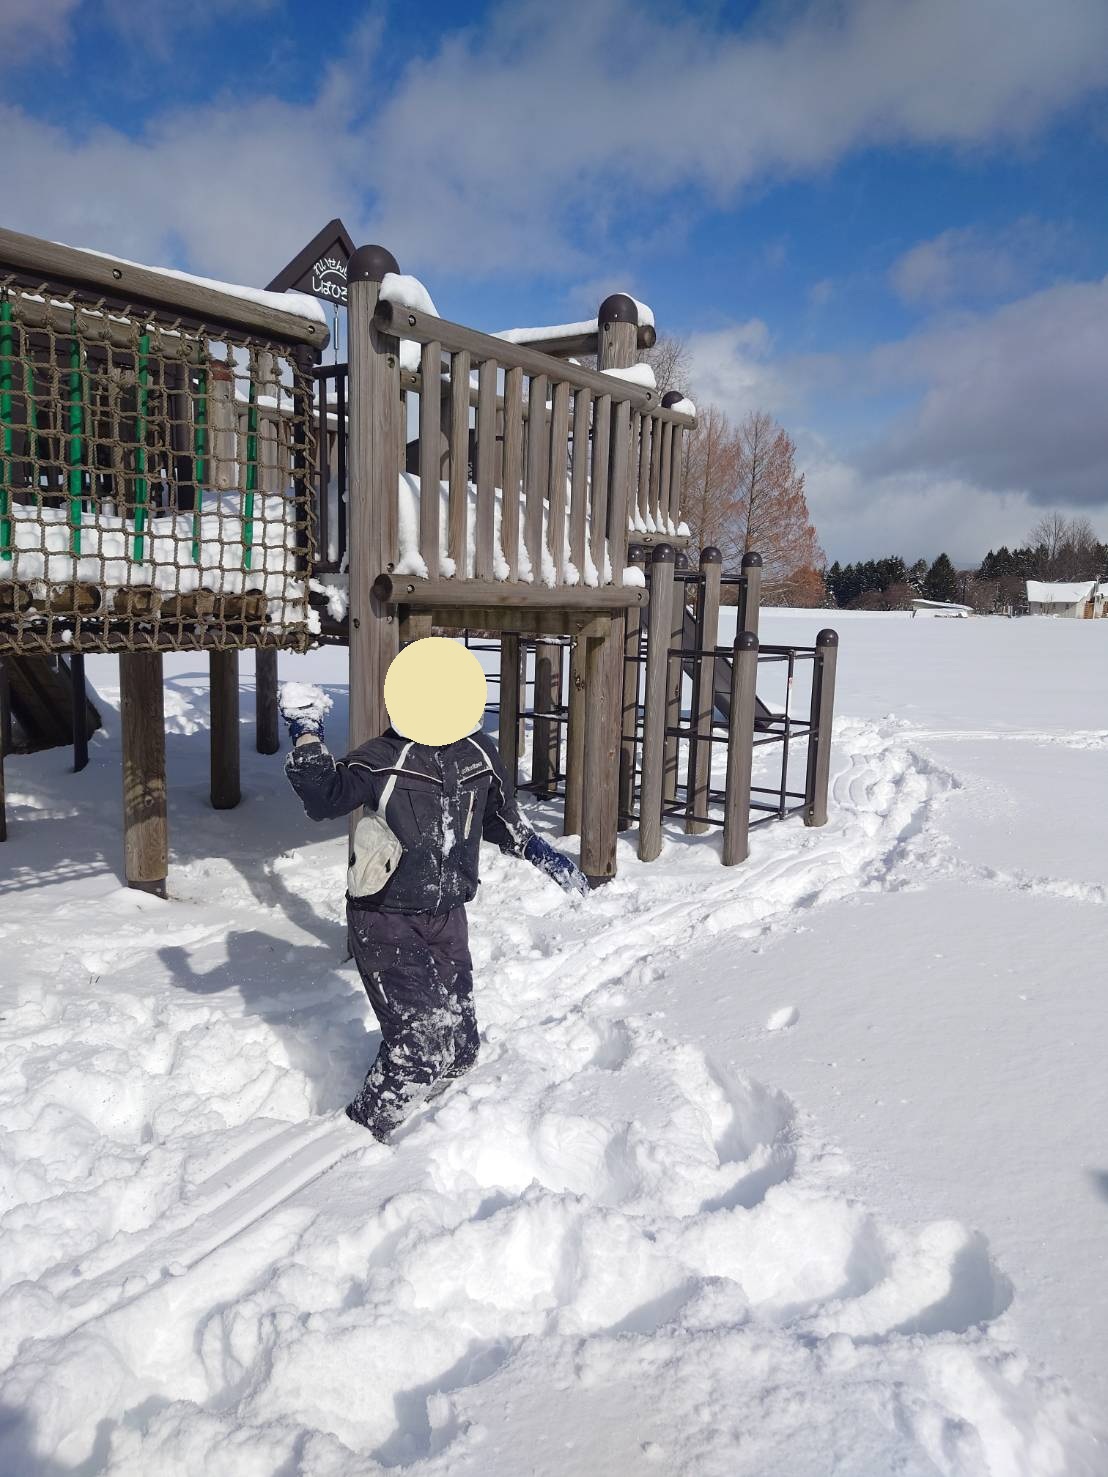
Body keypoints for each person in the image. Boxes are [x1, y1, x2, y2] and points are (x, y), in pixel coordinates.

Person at [281, 639, 588, 1144]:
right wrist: (307, 736)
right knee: (420, 1049)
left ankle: (432, 1131)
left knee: (460, 1051)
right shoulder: (383, 758)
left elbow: (499, 817)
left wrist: (539, 851)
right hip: (384, 916)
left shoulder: (478, 754)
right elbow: (326, 798)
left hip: (446, 916)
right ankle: (357, 1136)